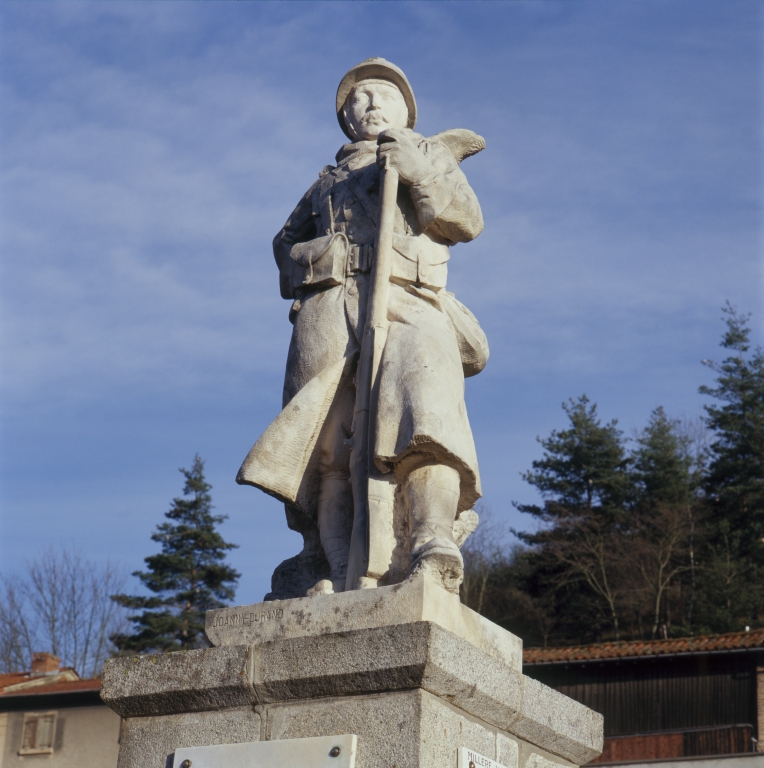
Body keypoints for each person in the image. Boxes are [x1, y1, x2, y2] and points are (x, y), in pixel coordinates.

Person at [237, 58, 488, 597]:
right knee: (327, 445)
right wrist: (325, 258)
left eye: (384, 95)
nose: (371, 103)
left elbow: (466, 221)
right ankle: (330, 563)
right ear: (346, 119)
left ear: (406, 111)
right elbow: (284, 246)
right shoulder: (325, 182)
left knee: (426, 418)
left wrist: (418, 170)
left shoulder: (428, 156)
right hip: (331, 310)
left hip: (409, 300)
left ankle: (430, 539)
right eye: (359, 97)